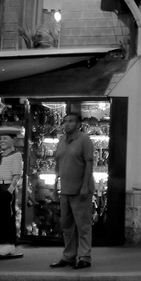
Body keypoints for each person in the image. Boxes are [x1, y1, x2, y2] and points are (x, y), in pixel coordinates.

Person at [49, 112, 95, 269]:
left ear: (78, 124)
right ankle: (69, 256)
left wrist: (85, 185)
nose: (67, 124)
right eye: (65, 121)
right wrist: (55, 186)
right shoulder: (62, 141)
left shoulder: (84, 140)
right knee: (66, 225)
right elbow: (57, 164)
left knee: (83, 225)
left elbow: (89, 163)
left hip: (80, 190)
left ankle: (85, 257)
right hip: (65, 190)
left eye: (71, 121)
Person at [0, 132, 23, 246]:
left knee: (7, 215)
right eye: (1, 139)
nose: (2, 141)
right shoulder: (0, 155)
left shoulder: (16, 155)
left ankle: (8, 241)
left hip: (6, 186)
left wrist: (10, 188)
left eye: (5, 138)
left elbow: (17, 175)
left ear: (13, 140)